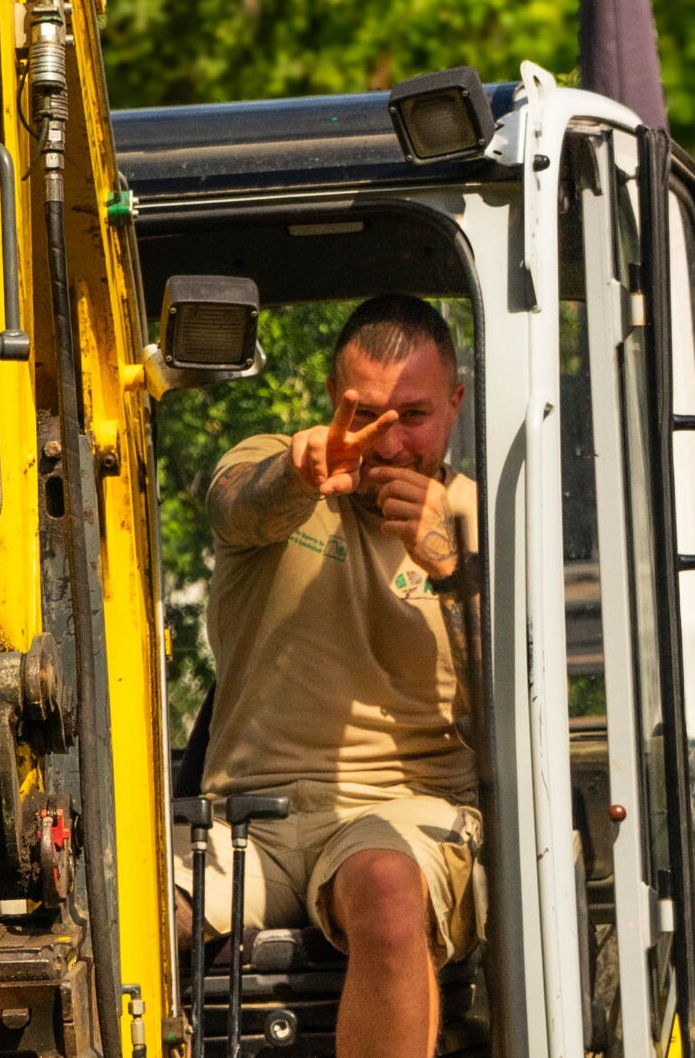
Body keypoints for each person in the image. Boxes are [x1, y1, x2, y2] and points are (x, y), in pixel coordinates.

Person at [177, 293, 480, 1058]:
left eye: (413, 414)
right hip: (250, 816)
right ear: (330, 406)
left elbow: (515, 709)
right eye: (366, 413)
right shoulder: (275, 470)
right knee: (116, 911)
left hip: (407, 810)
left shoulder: (483, 519)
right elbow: (237, 509)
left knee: (383, 886)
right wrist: (298, 471)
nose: (389, 441)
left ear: (456, 401)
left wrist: (453, 571)